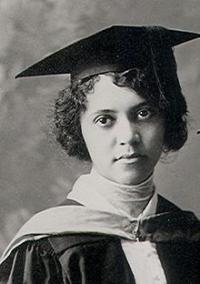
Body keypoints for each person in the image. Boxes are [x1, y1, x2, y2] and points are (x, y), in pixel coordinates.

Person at [0, 25, 200, 283]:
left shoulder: (187, 236)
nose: (128, 136)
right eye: (105, 119)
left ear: (167, 119)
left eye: (144, 113)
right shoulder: (48, 247)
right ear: (78, 128)